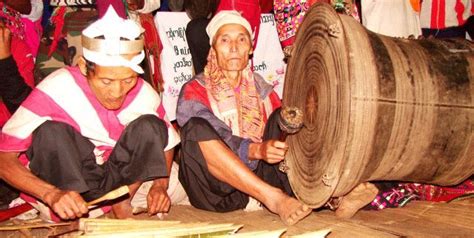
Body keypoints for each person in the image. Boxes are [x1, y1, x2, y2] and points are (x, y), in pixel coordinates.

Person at [0, 6, 180, 222]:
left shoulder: (143, 92)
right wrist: (51, 193)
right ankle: (71, 213)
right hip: (70, 185)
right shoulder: (58, 87)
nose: (117, 92)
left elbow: (167, 142)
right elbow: (4, 159)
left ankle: (121, 203)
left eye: (127, 80)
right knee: (51, 132)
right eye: (106, 81)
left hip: (118, 182)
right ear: (84, 67)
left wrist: (160, 185)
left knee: (150, 126)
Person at [176, 10, 312, 226]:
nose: (233, 48)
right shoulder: (194, 90)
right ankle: (272, 197)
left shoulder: (264, 90)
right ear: (213, 49)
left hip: (263, 174)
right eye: (224, 40)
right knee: (195, 128)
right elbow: (218, 136)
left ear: (250, 49)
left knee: (283, 118)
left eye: (241, 40)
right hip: (217, 191)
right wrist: (255, 149)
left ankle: (332, 196)